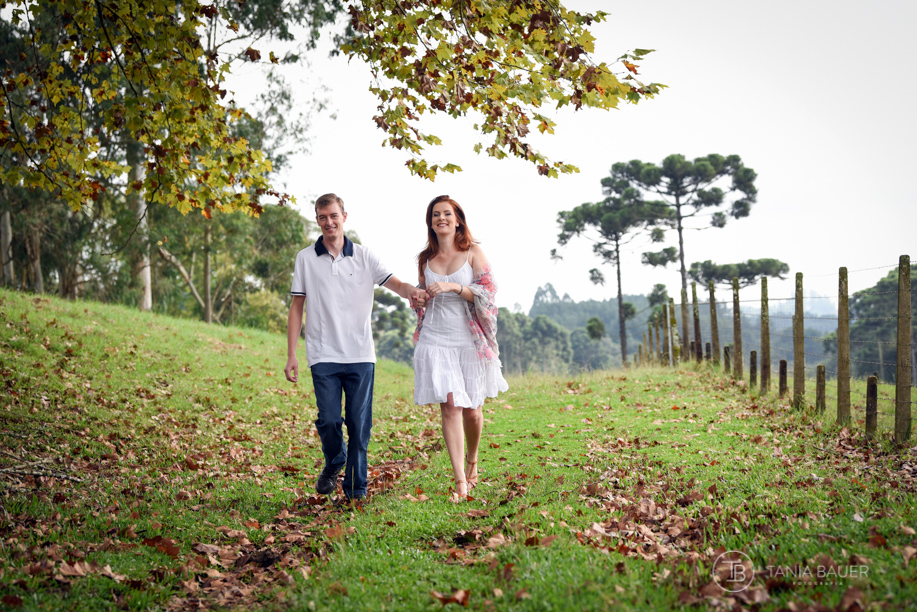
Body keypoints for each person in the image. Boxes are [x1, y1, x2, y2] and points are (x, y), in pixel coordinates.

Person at [285, 193, 425, 502]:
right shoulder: (305, 258)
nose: (329, 222)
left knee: (360, 425)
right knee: (330, 420)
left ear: (344, 217)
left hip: (361, 355)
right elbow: (297, 306)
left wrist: (411, 292)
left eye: (333, 216)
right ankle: (335, 459)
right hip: (322, 353)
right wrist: (292, 353)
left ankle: (355, 491)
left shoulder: (364, 256)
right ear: (317, 220)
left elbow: (395, 284)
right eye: (322, 217)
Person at [412, 195, 508, 500]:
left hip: (468, 338)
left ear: (457, 219)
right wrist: (419, 296)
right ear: (430, 222)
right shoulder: (425, 259)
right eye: (436, 214)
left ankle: (473, 459)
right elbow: (421, 294)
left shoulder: (473, 253)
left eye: (447, 214)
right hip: (435, 336)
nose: (441, 219)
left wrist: (455, 286)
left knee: (472, 411)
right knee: (449, 406)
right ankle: (460, 483)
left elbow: (490, 293)